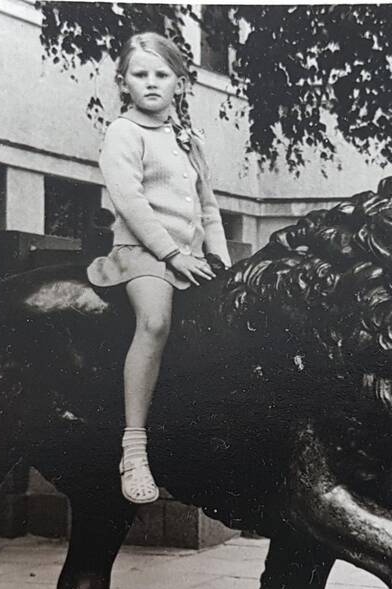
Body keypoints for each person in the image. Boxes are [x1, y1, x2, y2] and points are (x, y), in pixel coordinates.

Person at [86, 32, 231, 504]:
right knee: (155, 322)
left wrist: (223, 264)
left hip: (191, 256)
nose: (151, 83)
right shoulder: (123, 133)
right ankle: (133, 450)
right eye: (140, 75)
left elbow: (208, 207)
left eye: (161, 75)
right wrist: (172, 255)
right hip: (143, 253)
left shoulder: (189, 140)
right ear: (124, 83)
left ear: (180, 84)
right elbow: (129, 201)